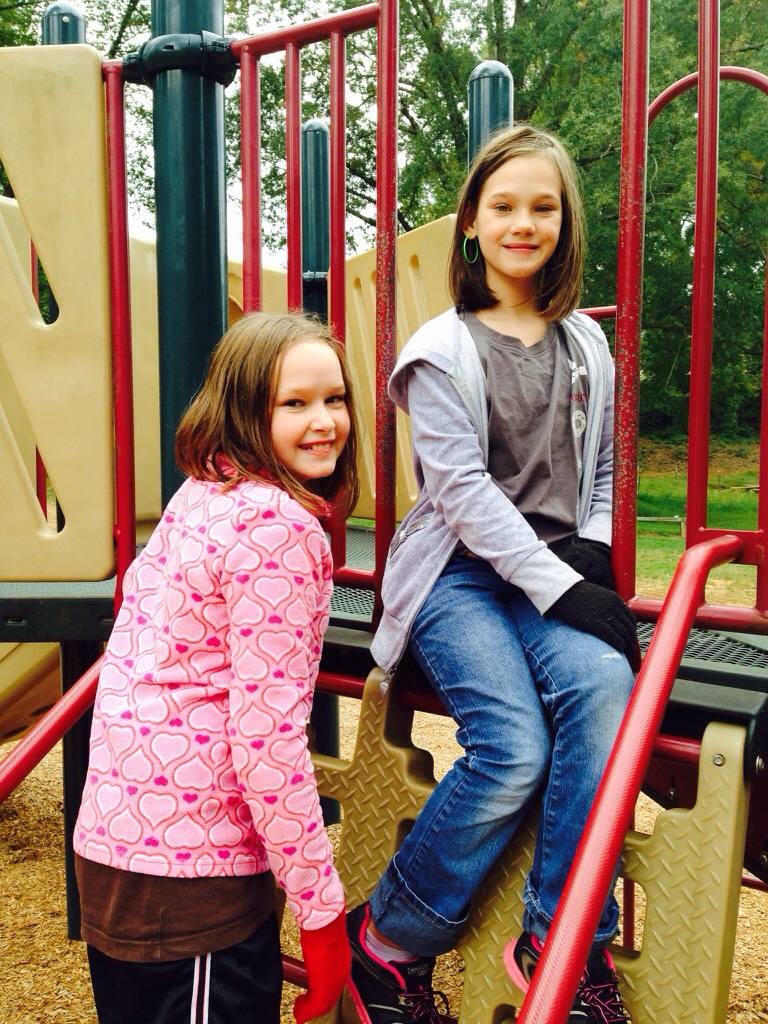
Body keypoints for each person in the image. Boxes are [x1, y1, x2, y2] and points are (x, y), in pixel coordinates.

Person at [344, 125, 637, 1024]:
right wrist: (566, 589)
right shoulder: (441, 349)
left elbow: (602, 470)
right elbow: (462, 494)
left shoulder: (587, 346)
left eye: (543, 207)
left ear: (564, 223)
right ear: (471, 221)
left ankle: (562, 939)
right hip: (457, 576)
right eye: (503, 206)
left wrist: (590, 551)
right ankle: (388, 939)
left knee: (606, 688)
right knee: (513, 749)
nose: (523, 224)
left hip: (551, 570)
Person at [74, 311, 358, 1024]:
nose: (324, 421)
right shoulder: (280, 531)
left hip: (116, 843)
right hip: (195, 871)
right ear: (243, 412)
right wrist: (321, 915)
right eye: (293, 403)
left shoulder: (201, 495)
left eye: (335, 398)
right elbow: (267, 740)